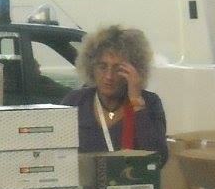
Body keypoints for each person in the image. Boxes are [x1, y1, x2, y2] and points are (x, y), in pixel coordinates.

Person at [61, 24, 168, 165]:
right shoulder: (76, 101)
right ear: (91, 68)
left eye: (118, 69)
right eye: (102, 67)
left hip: (131, 178)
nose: (109, 76)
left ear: (134, 71)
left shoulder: (149, 102)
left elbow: (159, 159)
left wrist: (136, 101)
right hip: (86, 179)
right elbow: (57, 154)